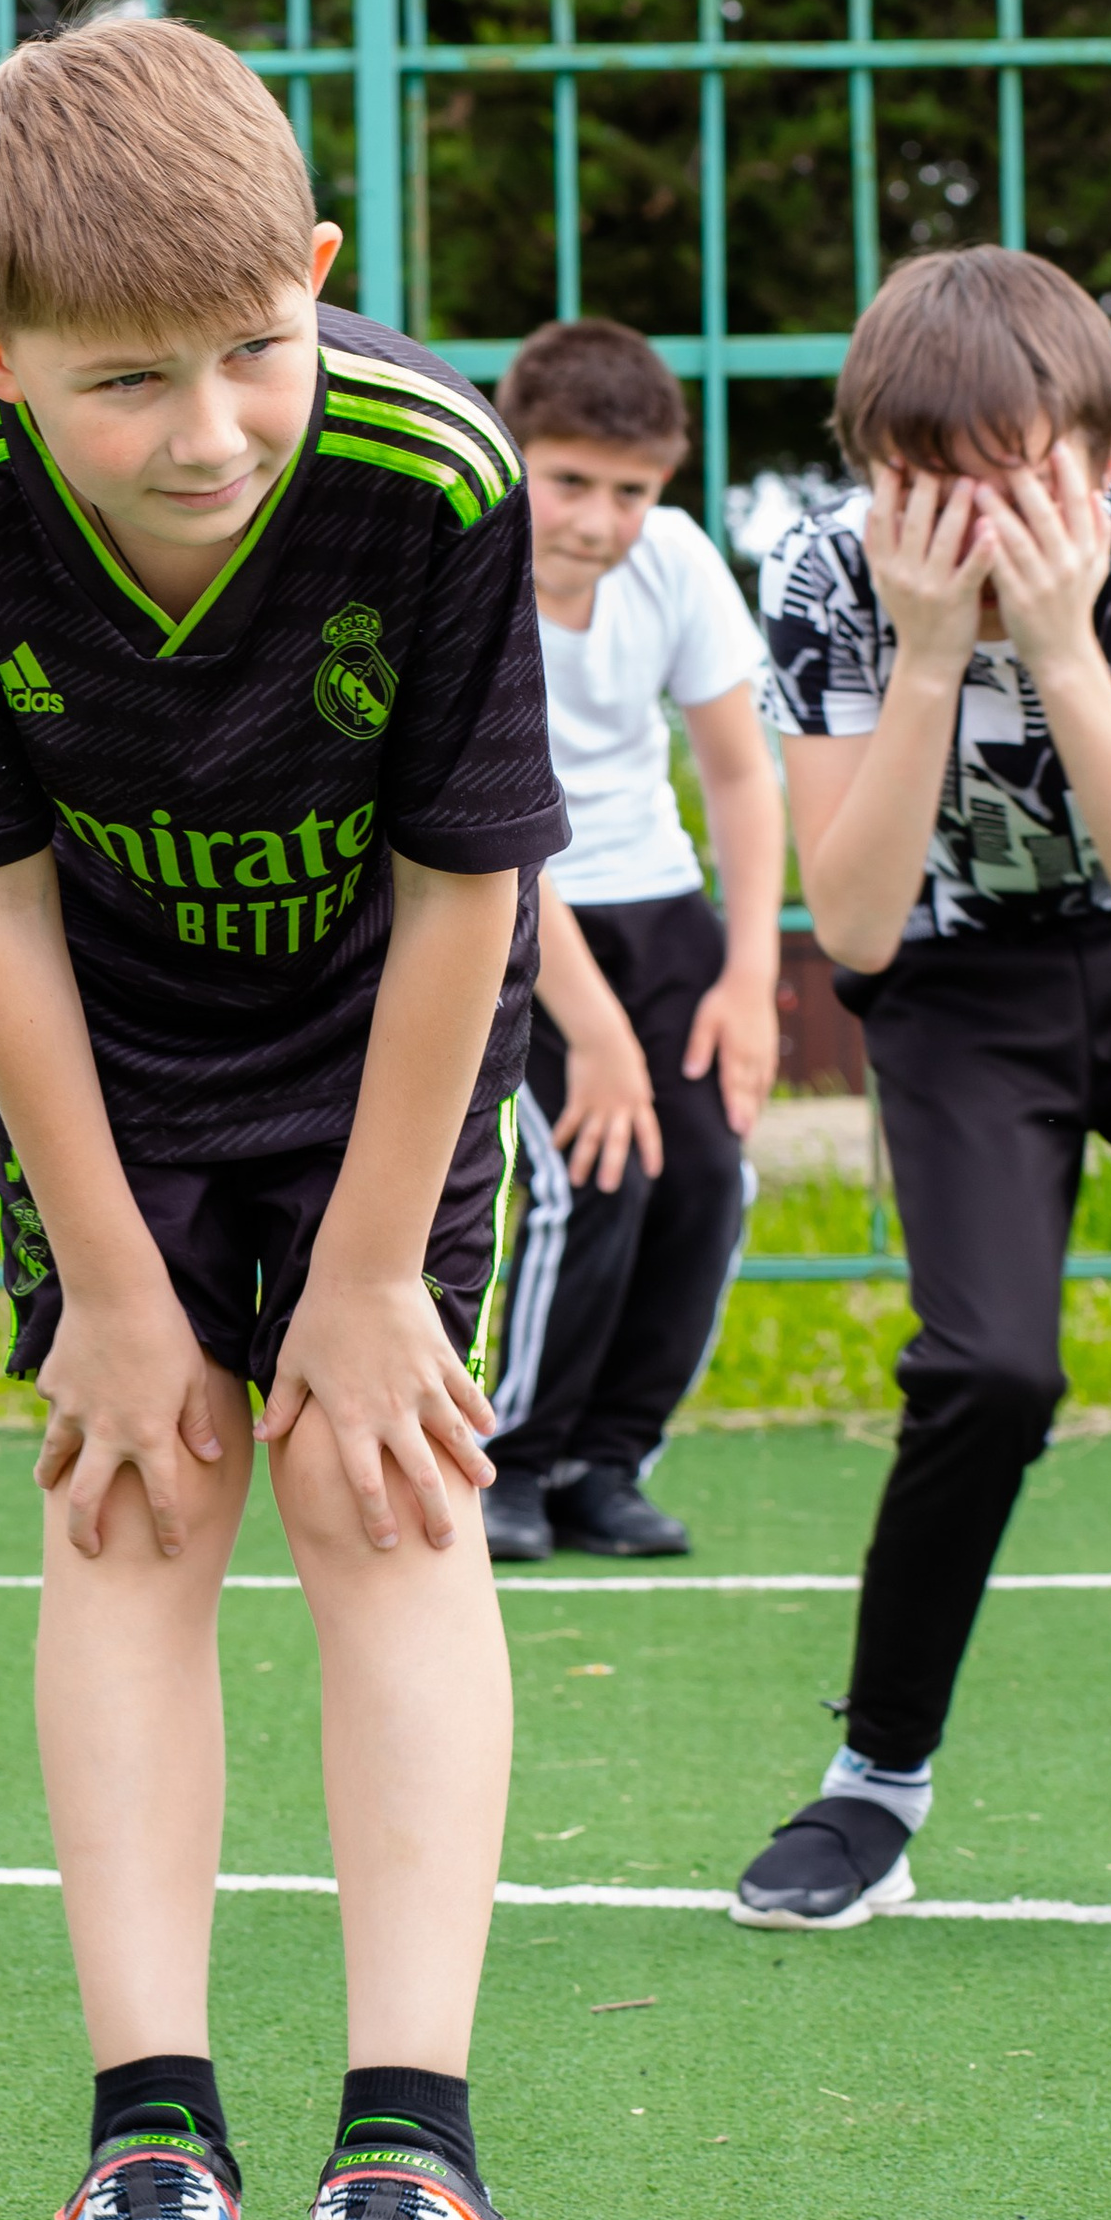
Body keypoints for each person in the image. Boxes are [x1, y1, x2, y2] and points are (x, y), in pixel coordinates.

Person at [0, 15, 564, 2220]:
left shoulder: (437, 469)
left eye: (252, 350)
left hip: (386, 1040)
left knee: (384, 1498)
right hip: (114, 1054)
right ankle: (148, 2134)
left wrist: (366, 1270)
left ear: (320, 277)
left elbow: (473, 883)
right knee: (132, 1497)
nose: (206, 431)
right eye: (124, 382)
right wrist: (117, 1279)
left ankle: (412, 2152)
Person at [736, 244, 1111, 1941]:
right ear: (870, 471)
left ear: (1107, 445)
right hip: (954, 976)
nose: (977, 521)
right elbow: (849, 923)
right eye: (924, 481)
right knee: (990, 1367)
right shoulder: (828, 577)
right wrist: (930, 657)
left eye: (1022, 474)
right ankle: (874, 1785)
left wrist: (1059, 644)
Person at [479, 318, 783, 1561]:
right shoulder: (467, 569)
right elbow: (486, 822)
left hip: (657, 906)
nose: (598, 519)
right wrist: (596, 1036)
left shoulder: (675, 563)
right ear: (513, 456)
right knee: (591, 1173)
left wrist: (751, 975)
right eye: (569, 482)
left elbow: (739, 775)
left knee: (711, 1176)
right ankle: (508, 1462)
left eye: (630, 491)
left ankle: (607, 1464)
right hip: (507, 900)